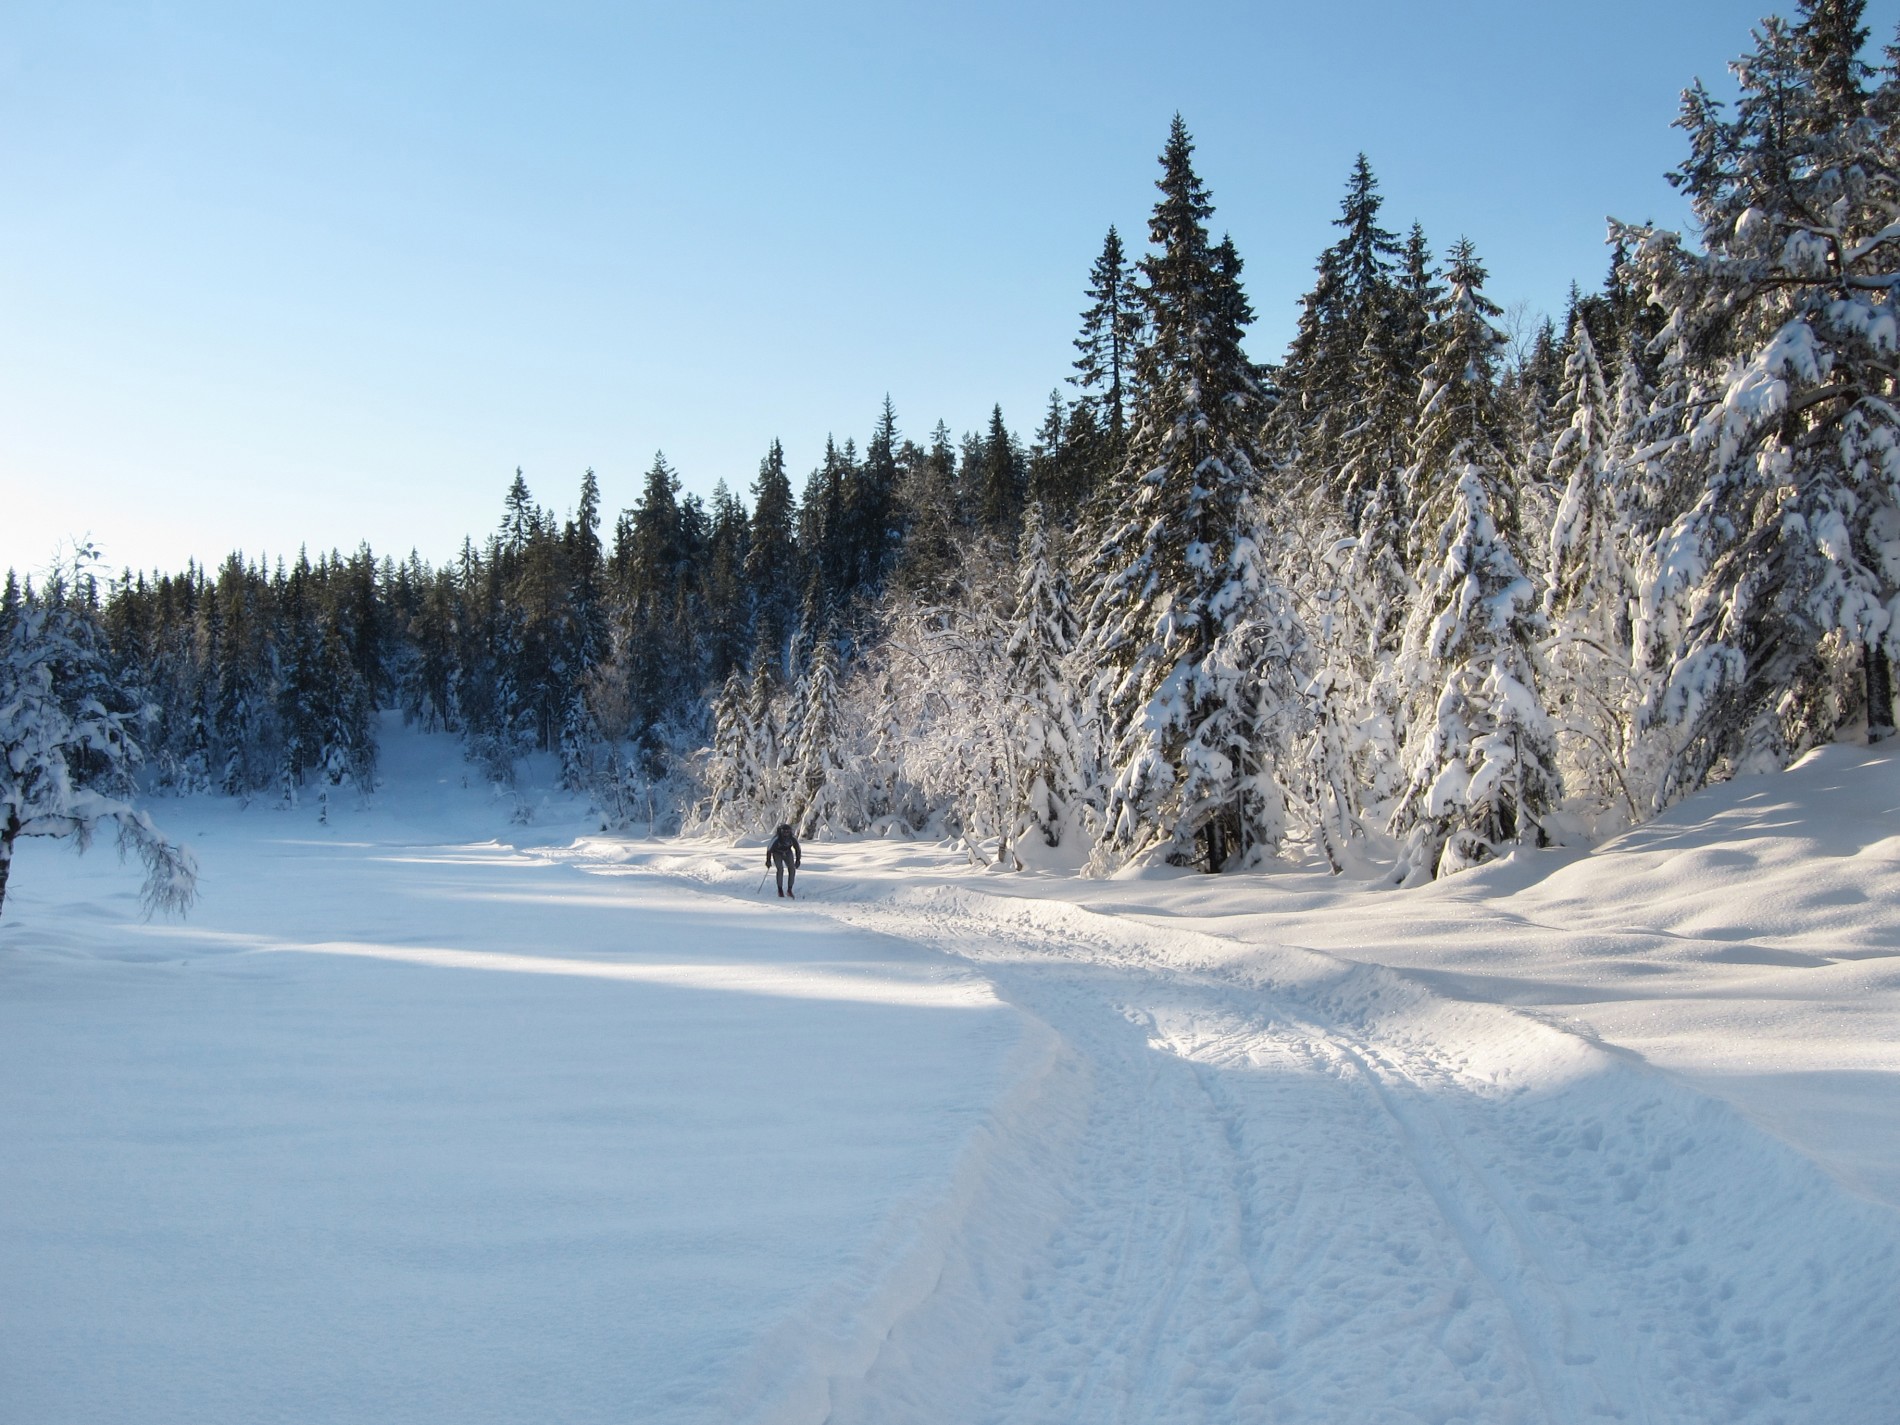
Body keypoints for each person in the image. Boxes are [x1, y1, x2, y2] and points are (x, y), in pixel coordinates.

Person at [766, 822, 801, 898]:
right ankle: (780, 890)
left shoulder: (792, 838)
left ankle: (789, 890)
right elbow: (769, 849)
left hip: (787, 852)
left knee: (792, 869)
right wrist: (768, 860)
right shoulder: (777, 838)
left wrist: (798, 860)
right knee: (780, 869)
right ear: (781, 832)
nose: (786, 833)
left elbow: (797, 849)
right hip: (777, 853)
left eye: (788, 832)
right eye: (784, 832)